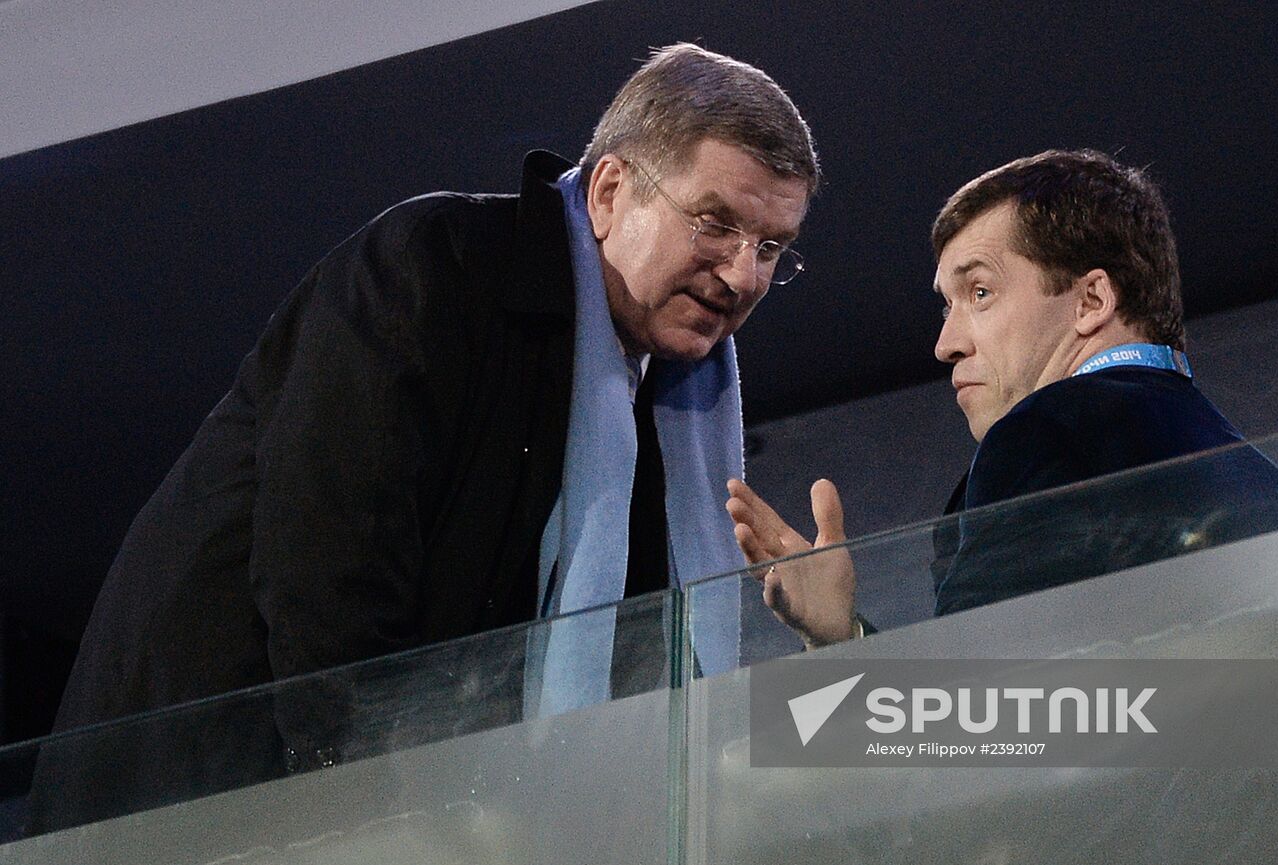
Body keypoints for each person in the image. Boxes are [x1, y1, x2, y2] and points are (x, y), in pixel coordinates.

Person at [32, 43, 819, 831]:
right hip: (206, 819)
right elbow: (330, 599)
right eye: (715, 224)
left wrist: (841, 639)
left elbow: (683, 733)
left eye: (771, 247)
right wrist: (388, 831)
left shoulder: (672, 409)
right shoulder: (435, 270)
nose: (743, 275)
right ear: (611, 191)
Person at [727, 149, 1278, 646]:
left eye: (980, 292)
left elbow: (981, 721)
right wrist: (843, 635)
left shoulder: (1049, 431)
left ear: (1091, 301)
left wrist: (840, 652)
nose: (946, 345)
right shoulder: (1246, 466)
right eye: (947, 305)